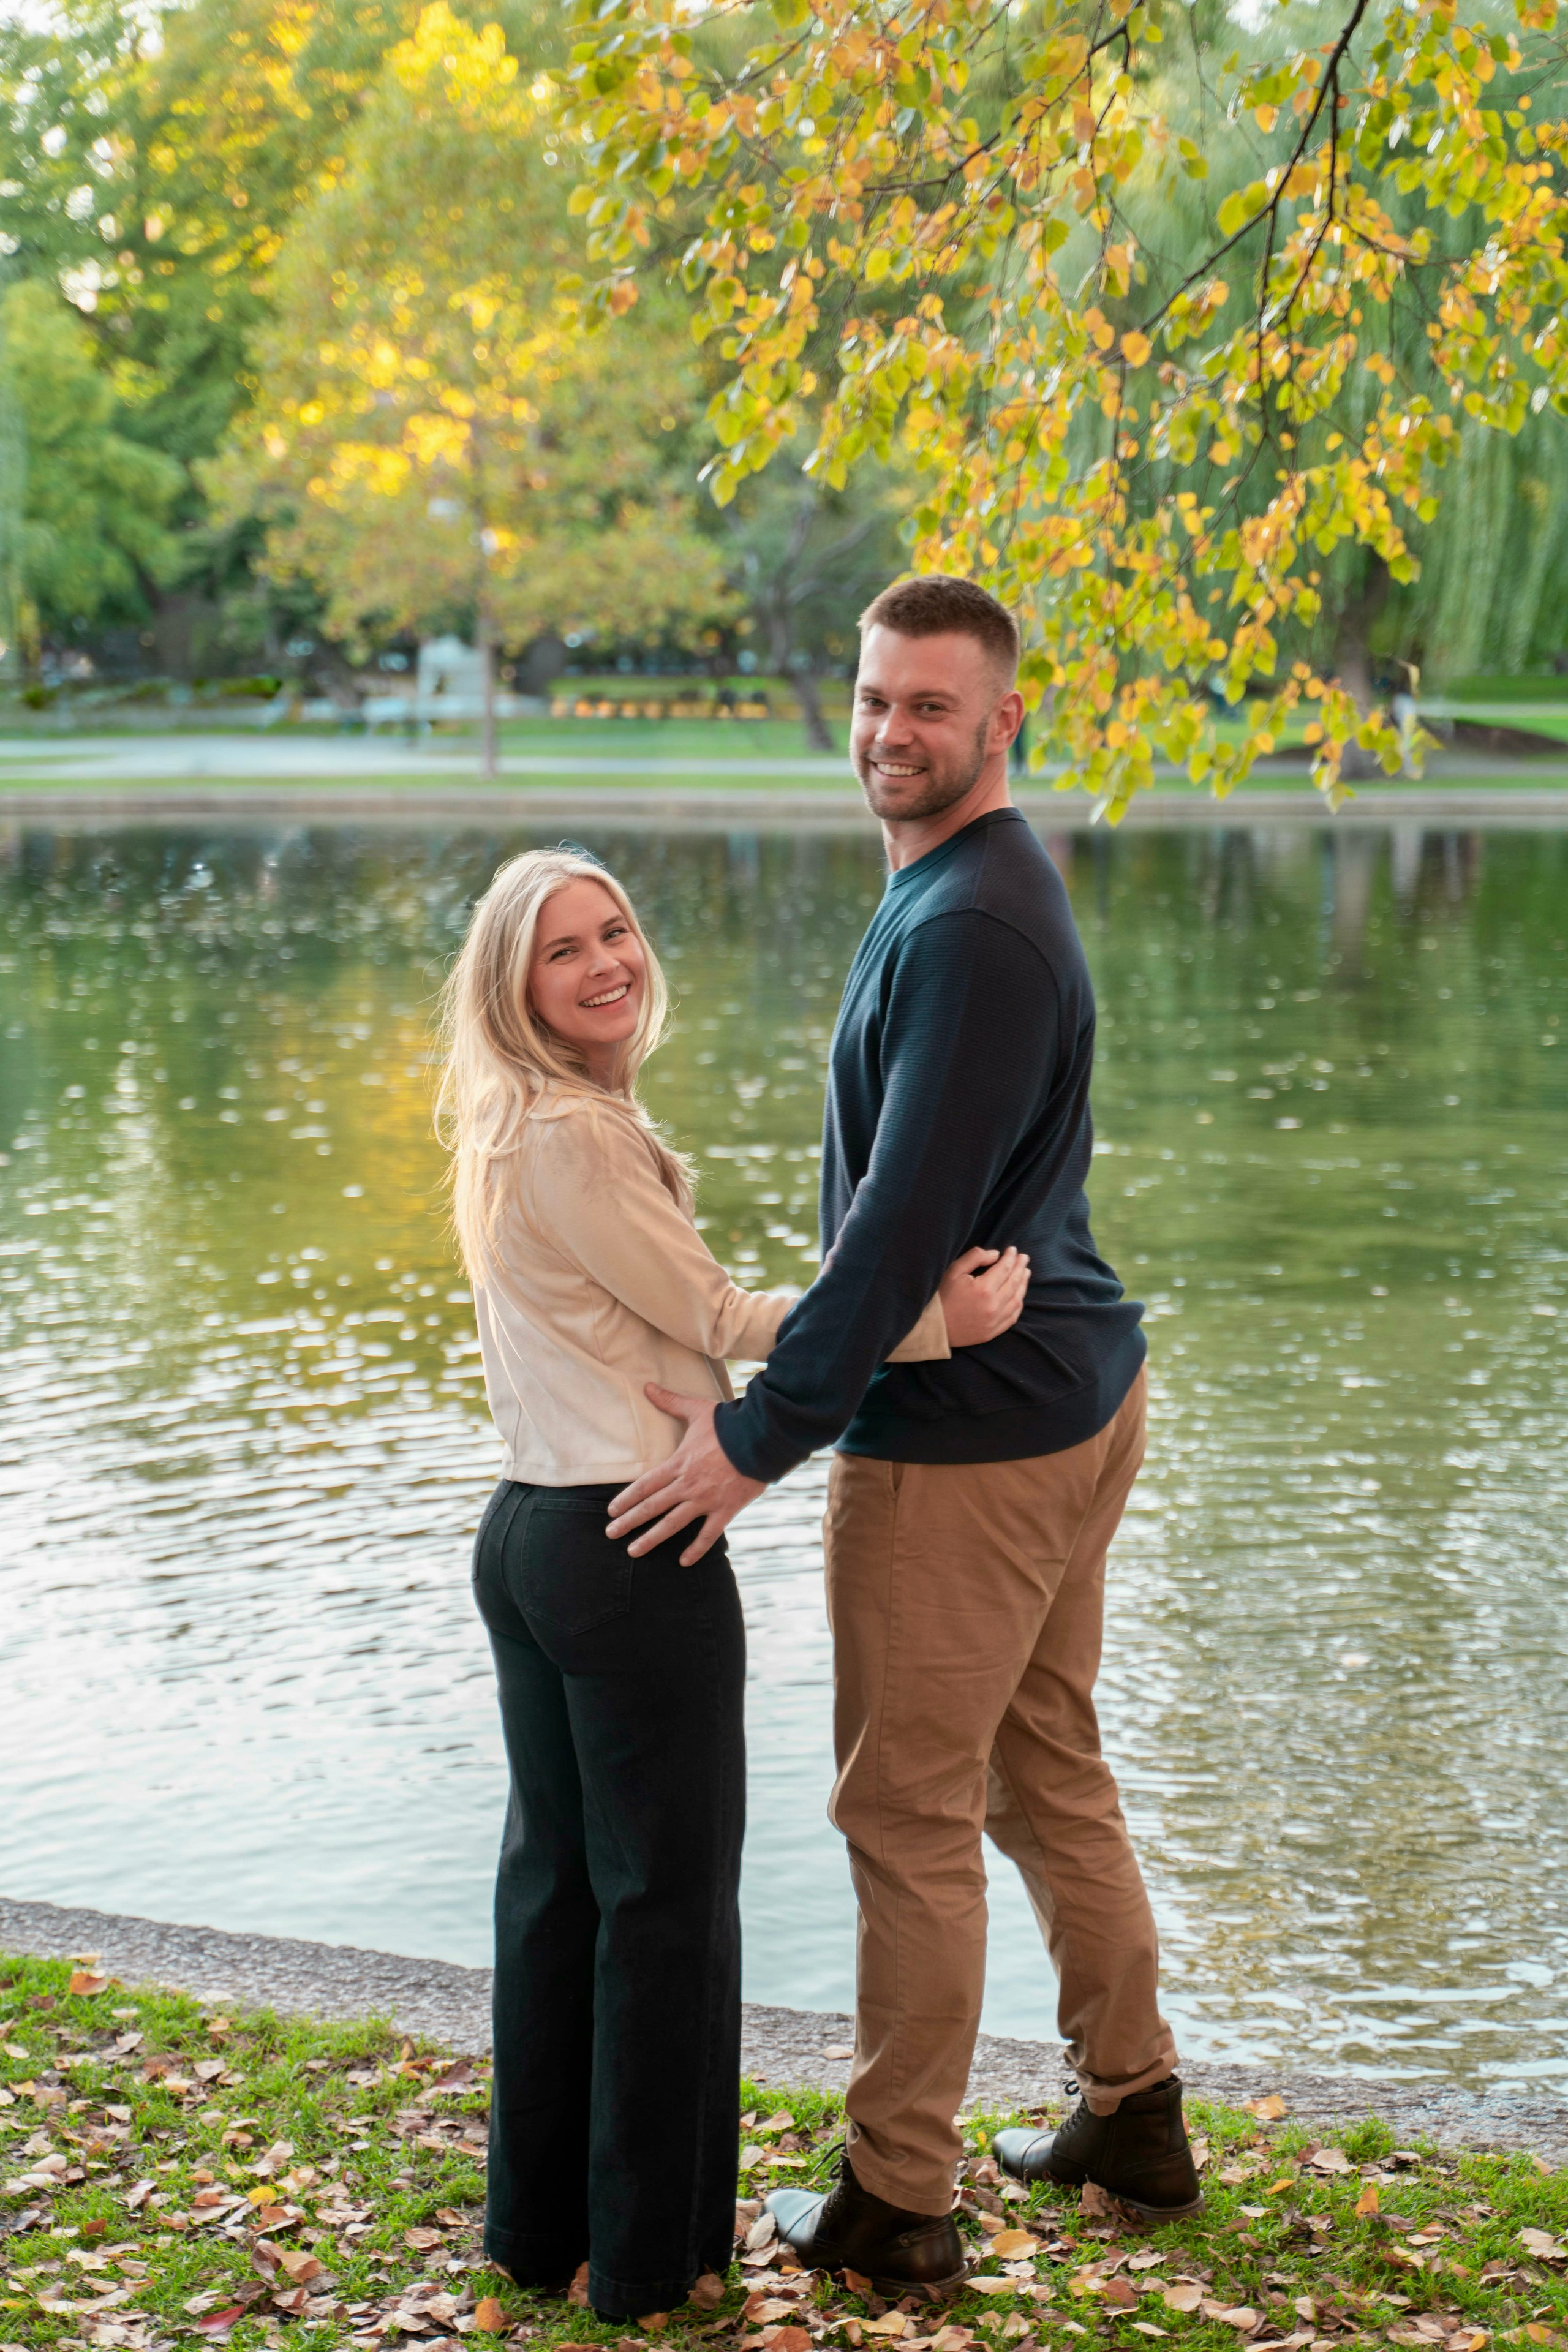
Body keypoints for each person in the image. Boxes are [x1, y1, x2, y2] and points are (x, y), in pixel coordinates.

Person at [606, 578, 1201, 2298]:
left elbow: (892, 1236)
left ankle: (898, 2200)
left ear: (1006, 720)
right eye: (874, 699)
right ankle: (1136, 2109)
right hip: (1069, 1395)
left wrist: (753, 1439)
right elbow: (918, 1223)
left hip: (971, 1445)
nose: (890, 732)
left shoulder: (972, 925)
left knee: (906, 1812)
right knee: (1042, 1768)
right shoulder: (962, 891)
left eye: (930, 706)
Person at [435, 845, 1031, 2323]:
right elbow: (714, 1314)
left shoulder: (516, 1126)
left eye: (616, 929)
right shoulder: (572, 1133)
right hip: (626, 1550)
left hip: (533, 1533)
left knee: (559, 1893)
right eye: (562, 948)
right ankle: (646, 2265)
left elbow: (652, 1326)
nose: (603, 962)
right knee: (667, 1911)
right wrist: (920, 1315)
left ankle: (538, 2230)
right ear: (514, 984)